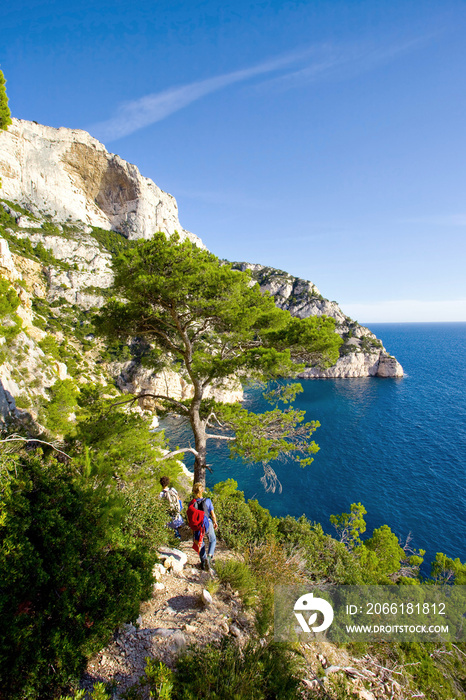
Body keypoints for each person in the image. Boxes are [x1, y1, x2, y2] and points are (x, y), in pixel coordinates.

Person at [191, 482, 218, 571]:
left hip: (197, 526)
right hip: (207, 523)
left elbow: (189, 518)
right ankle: (209, 558)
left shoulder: (191, 503)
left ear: (194, 492)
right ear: (202, 490)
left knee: (200, 543)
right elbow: (212, 514)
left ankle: (203, 561)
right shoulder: (208, 501)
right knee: (212, 539)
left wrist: (192, 529)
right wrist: (215, 522)